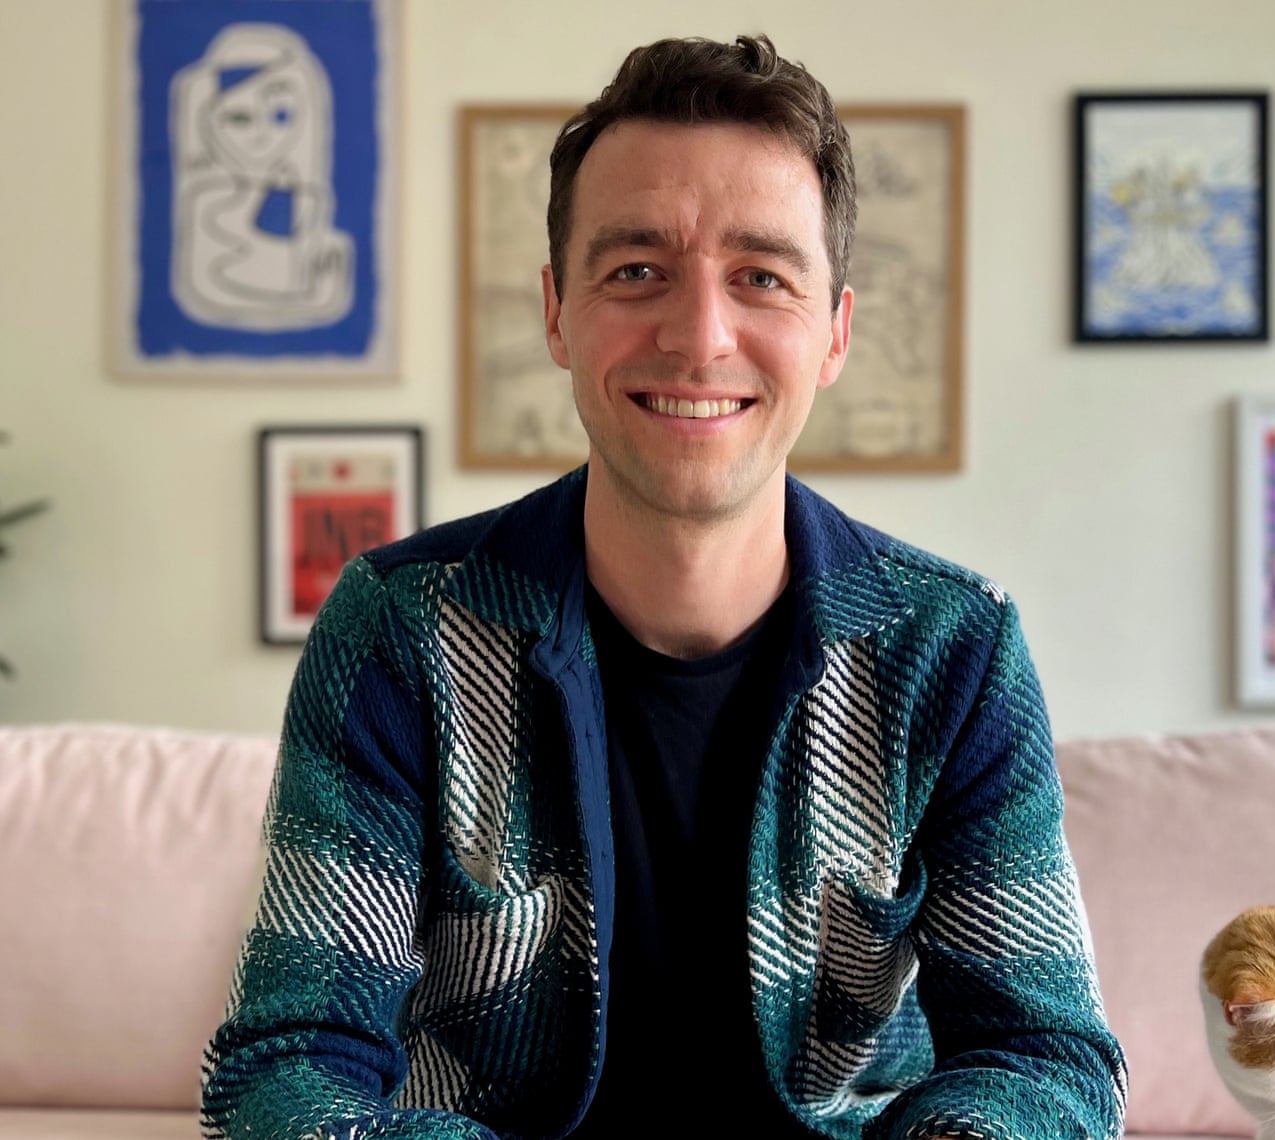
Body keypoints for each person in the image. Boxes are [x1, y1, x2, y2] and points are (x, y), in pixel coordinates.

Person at [201, 34, 1127, 1140]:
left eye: (762, 278)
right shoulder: (400, 629)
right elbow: (285, 1066)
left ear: (833, 332)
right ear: (556, 311)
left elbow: (1046, 1056)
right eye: (636, 270)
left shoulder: (952, 647)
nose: (697, 337)